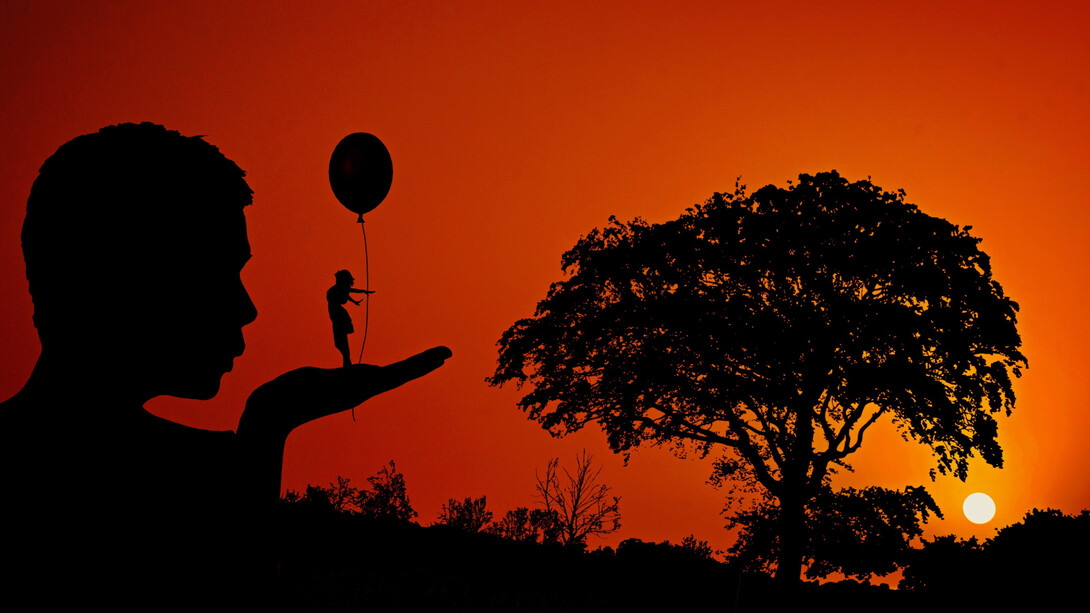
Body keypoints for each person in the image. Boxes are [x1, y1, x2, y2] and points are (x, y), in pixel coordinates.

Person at [0, 122, 450, 609]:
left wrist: (268, 422)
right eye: (220, 270)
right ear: (132, 272)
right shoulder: (200, 482)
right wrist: (267, 427)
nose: (247, 306)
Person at [328, 269, 373, 367]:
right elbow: (348, 292)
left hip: (338, 313)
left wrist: (359, 296)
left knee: (342, 341)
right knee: (340, 342)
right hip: (337, 313)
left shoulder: (338, 295)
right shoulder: (336, 292)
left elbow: (348, 292)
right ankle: (346, 361)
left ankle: (347, 362)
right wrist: (362, 292)